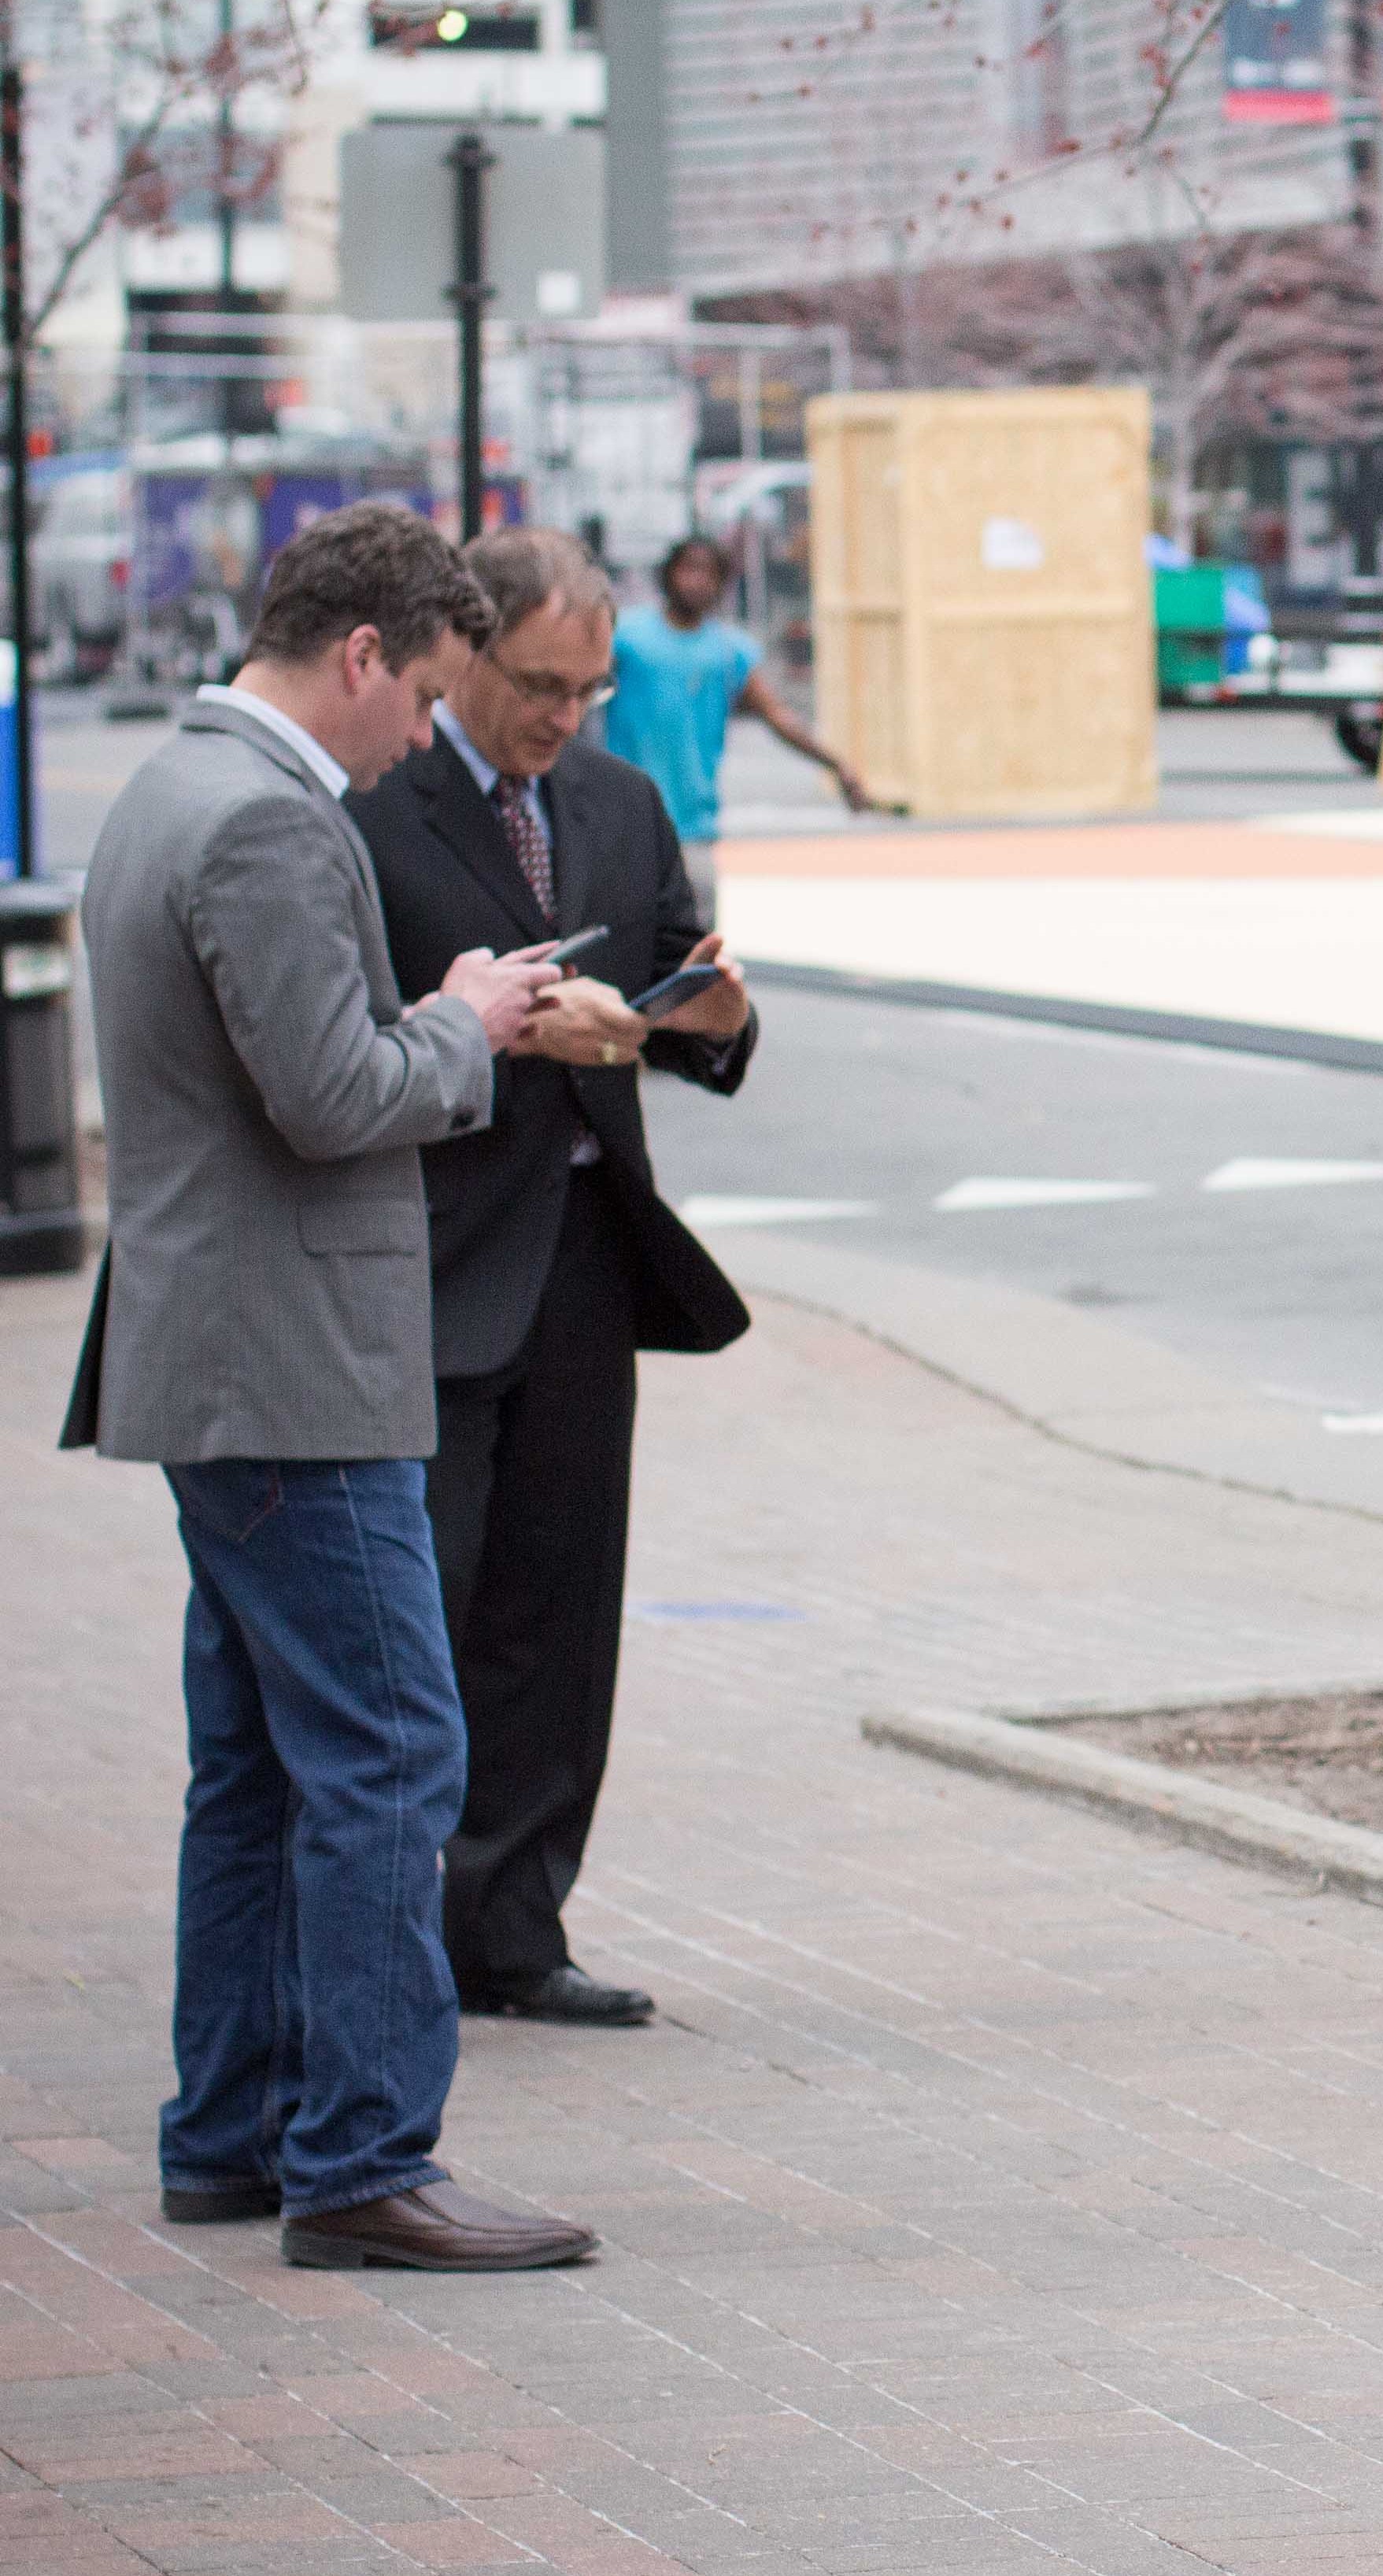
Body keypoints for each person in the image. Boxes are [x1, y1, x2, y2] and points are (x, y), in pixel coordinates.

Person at [61, 498, 599, 2271]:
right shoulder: (270, 824)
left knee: (261, 1768)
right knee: (387, 1755)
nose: (418, 743)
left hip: (221, 1358)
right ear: (363, 655)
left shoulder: (170, 787)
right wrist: (469, 1021)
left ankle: (230, 2132)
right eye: (424, 697)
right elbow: (338, 1097)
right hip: (296, 1370)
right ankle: (363, 2156)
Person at [350, 525, 759, 2030]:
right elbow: (342, 1035)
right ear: (463, 653)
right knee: (424, 1623)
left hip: (588, 1260)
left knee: (560, 1608)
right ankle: (397, 1937)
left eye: (587, 690)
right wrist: (502, 1028)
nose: (561, 718)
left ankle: (514, 1932)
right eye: (538, 684)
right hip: (435, 1259)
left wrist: (705, 1013)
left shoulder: (616, 798)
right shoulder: (373, 803)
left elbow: (684, 995)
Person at [602, 531, 867, 918]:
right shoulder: (627, 637)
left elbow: (777, 715)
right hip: (625, 826)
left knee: (695, 955)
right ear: (669, 575)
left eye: (709, 572)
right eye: (688, 569)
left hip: (692, 829)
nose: (697, 581)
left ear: (722, 584)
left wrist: (837, 764)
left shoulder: (729, 652)